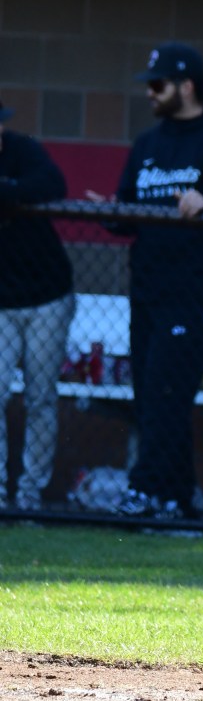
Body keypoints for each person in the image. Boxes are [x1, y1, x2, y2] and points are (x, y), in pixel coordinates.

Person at [87, 41, 203, 518]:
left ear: (187, 86)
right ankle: (179, 499)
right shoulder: (148, 144)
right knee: (151, 392)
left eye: (158, 85)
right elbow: (130, 212)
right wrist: (111, 214)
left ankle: (145, 489)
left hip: (197, 290)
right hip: (149, 288)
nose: (150, 93)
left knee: (167, 390)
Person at [0, 100, 75, 511]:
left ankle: (29, 495)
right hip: (1, 303)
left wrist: (6, 192)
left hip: (47, 295)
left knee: (40, 398)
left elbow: (51, 183)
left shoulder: (22, 149)